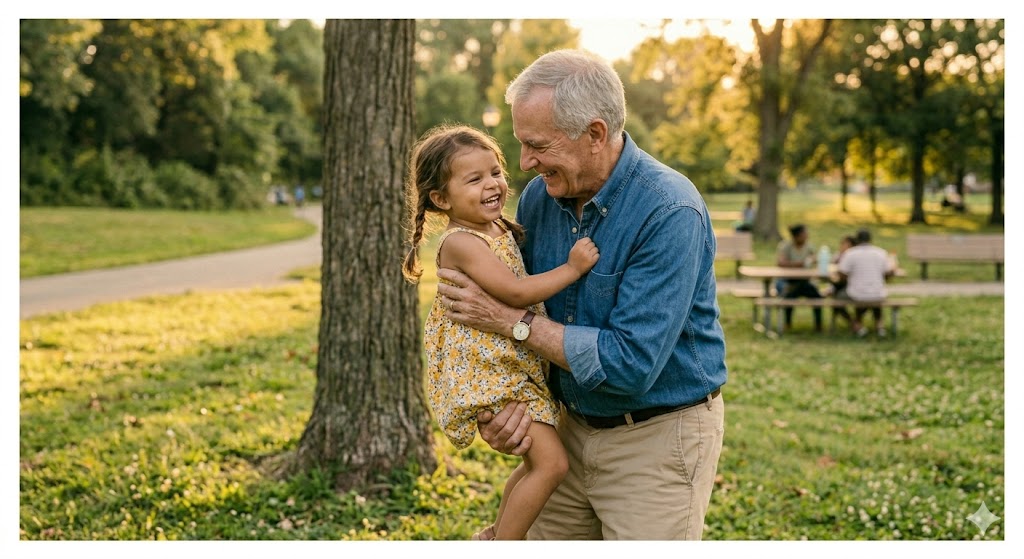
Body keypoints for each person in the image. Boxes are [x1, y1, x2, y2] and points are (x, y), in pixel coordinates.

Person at [435, 49, 727, 540]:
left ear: (594, 134)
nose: (525, 163)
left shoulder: (669, 211)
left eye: (538, 145)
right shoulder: (538, 198)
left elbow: (630, 363)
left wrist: (512, 322)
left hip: (654, 438)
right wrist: (499, 407)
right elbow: (515, 308)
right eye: (521, 145)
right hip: (566, 428)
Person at [402, 124, 600, 540]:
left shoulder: (496, 229)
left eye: (495, 171)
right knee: (553, 466)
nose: (492, 184)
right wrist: (572, 268)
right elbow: (514, 292)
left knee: (537, 464)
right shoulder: (461, 242)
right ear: (441, 199)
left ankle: (495, 534)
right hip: (490, 373)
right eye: (474, 179)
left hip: (508, 364)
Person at [834, 228, 896, 337]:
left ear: (857, 240)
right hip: (878, 294)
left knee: (838, 297)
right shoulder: (881, 252)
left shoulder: (850, 253)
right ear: (870, 240)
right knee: (874, 293)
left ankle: (856, 325)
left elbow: (841, 274)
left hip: (857, 294)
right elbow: (889, 273)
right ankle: (879, 326)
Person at [775, 223, 824, 331]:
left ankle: (818, 324)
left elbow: (814, 259)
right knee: (789, 295)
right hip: (789, 280)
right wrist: (800, 264)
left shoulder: (809, 246)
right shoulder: (786, 246)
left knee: (817, 296)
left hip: (805, 280)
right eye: (804, 233)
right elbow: (781, 262)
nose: (807, 236)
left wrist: (814, 260)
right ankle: (787, 323)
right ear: (796, 236)